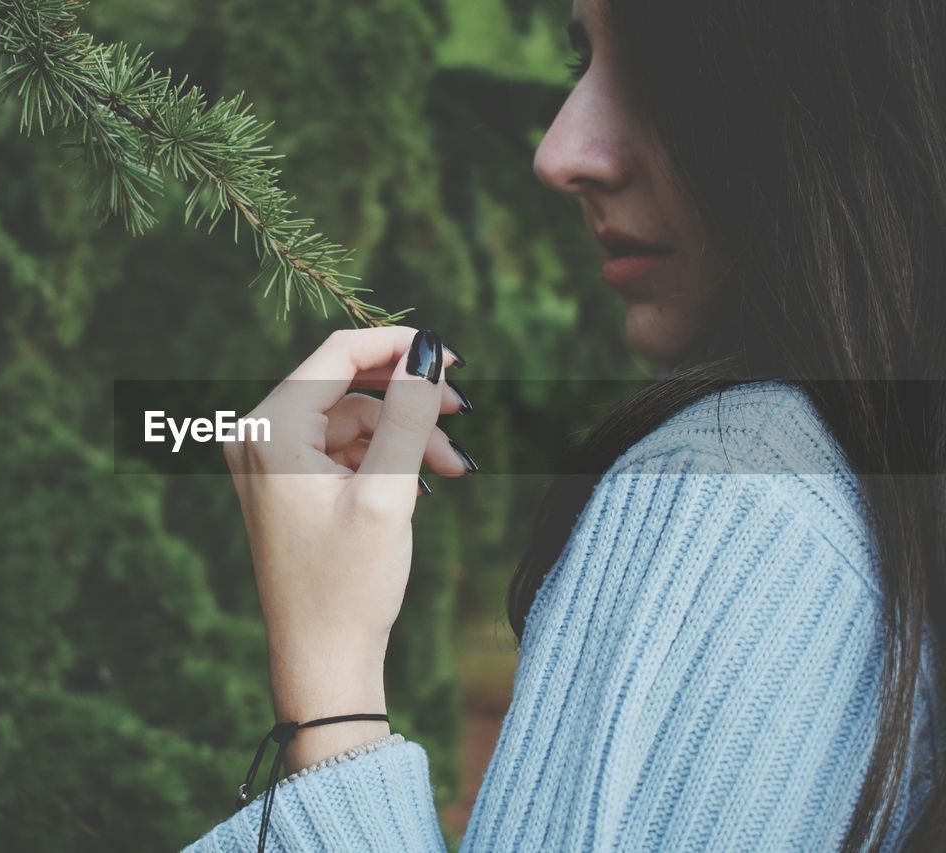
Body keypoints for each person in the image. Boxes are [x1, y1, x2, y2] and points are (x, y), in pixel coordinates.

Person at [184, 0, 946, 848]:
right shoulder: (877, 476)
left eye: (662, 73)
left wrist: (328, 691)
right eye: (580, 58)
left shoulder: (723, 490)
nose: (558, 155)